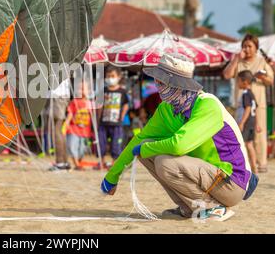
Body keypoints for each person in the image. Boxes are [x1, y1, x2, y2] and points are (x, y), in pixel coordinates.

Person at [101, 53, 259, 221]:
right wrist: (112, 176)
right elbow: (138, 142)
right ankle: (189, 207)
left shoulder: (207, 105)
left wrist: (145, 148)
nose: (157, 84)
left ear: (177, 83)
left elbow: (179, 146)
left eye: (161, 81)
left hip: (232, 183)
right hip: (209, 177)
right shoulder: (167, 109)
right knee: (145, 149)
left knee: (163, 161)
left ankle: (212, 208)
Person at [223, 33, 274, 173]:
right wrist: (235, 60)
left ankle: (261, 164)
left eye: (249, 46)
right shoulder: (238, 61)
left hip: (259, 105)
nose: (247, 49)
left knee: (259, 133)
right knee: (241, 134)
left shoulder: (261, 61)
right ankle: (246, 164)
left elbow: (271, 80)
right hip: (241, 105)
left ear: (256, 48)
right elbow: (227, 75)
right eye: (244, 46)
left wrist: (261, 76)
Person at [97, 65, 129, 168]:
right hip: (103, 122)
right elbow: (100, 105)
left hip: (117, 123)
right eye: (108, 76)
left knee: (116, 143)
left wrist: (122, 116)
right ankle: (101, 161)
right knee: (101, 143)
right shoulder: (103, 90)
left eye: (112, 76)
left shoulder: (122, 91)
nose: (110, 78)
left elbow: (126, 104)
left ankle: (115, 162)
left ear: (118, 77)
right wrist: (98, 118)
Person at [63, 82, 93, 170]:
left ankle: (78, 162)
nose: (81, 91)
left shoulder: (90, 103)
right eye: (79, 89)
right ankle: (76, 164)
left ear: (89, 91)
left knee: (82, 150)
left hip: (85, 131)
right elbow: (70, 114)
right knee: (72, 146)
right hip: (73, 129)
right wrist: (66, 124)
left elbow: (92, 117)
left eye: (83, 89)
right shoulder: (74, 102)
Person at [236, 70, 261, 174]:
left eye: (238, 81)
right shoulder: (252, 93)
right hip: (251, 122)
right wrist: (257, 124)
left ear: (245, 82)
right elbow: (255, 110)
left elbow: (248, 108)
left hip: (246, 123)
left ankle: (244, 166)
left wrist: (241, 123)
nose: (237, 83)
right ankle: (254, 166)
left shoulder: (246, 94)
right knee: (249, 144)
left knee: (241, 144)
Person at [47, 78, 71, 171]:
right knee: (60, 130)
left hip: (57, 95)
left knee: (56, 130)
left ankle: (60, 162)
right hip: (62, 94)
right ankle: (64, 162)